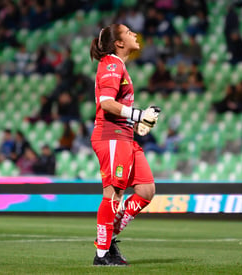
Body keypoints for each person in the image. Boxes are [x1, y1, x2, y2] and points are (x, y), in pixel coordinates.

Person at [89, 24, 161, 266]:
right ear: (119, 43)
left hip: (125, 136)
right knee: (113, 194)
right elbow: (107, 103)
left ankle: (108, 240)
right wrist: (138, 114)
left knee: (146, 190)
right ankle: (102, 255)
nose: (134, 34)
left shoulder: (119, 65)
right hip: (111, 136)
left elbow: (116, 106)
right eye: (128, 32)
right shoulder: (111, 64)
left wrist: (136, 121)